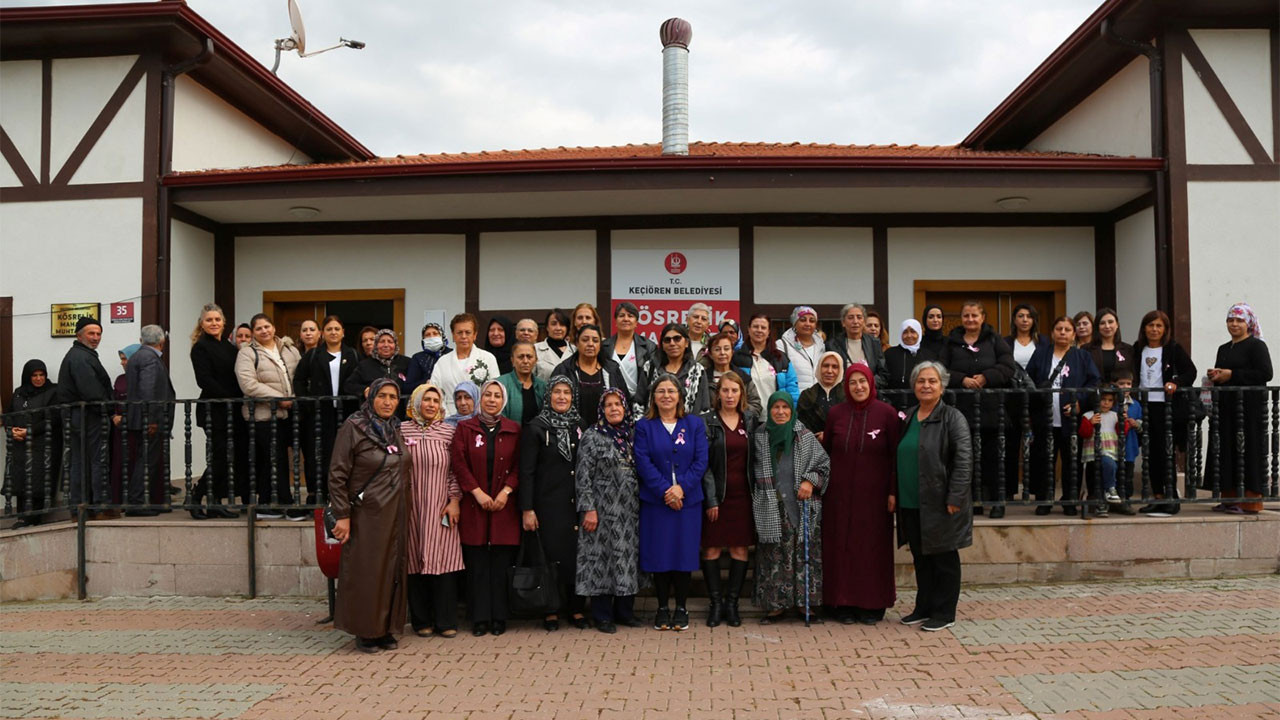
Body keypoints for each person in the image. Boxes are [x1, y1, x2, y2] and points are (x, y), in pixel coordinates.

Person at [327, 378, 409, 653]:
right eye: (382, 396)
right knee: (367, 571)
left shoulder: (395, 428)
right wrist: (342, 514)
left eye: (393, 397)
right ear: (371, 397)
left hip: (396, 512)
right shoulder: (354, 427)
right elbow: (337, 473)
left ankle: (385, 628)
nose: (388, 402)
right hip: (366, 514)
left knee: (391, 570)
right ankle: (365, 631)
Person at [895, 361, 972, 632]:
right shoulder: (908, 416)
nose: (926, 386)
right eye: (921, 381)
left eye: (932, 381)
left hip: (940, 502)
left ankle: (944, 611)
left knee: (944, 559)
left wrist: (955, 497)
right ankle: (924, 607)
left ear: (942, 386)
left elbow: (963, 460)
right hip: (910, 500)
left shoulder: (953, 417)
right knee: (921, 557)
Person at [823, 363, 901, 625]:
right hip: (839, 497)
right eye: (853, 382)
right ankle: (841, 603)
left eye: (862, 381)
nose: (858, 387)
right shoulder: (835, 413)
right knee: (840, 548)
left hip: (875, 498)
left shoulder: (887, 414)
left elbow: (895, 457)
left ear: (871, 383)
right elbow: (826, 453)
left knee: (872, 550)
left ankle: (872, 604)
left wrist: (893, 492)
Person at [634, 375, 708, 631]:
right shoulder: (644, 426)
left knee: (683, 555)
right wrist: (665, 491)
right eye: (661, 391)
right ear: (653, 397)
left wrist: (681, 488)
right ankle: (663, 607)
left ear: (680, 396)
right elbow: (642, 461)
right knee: (660, 554)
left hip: (688, 502)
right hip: (657, 502)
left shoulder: (694, 424)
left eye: (671, 391)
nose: (666, 396)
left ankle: (682, 608)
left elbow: (701, 460)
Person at [752, 390, 829, 624]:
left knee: (804, 556)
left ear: (792, 410)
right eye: (776, 407)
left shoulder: (804, 435)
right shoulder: (760, 436)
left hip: (801, 505)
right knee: (774, 556)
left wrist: (809, 481)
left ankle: (806, 605)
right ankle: (776, 607)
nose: (781, 412)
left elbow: (824, 465)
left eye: (785, 407)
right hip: (771, 505)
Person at [451, 380, 521, 636]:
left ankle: (499, 617)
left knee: (501, 564)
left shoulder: (514, 429)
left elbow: (519, 465)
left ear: (504, 401)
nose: (492, 400)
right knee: (477, 564)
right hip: (474, 504)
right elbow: (459, 463)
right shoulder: (465, 428)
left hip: (504, 505)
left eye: (497, 396)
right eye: (488, 395)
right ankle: (479, 618)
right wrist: (477, 492)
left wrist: (506, 491)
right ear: (480, 399)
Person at [519, 376, 587, 630]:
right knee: (551, 556)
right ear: (548, 396)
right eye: (557, 392)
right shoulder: (536, 427)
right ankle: (551, 610)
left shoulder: (580, 425)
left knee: (575, 556)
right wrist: (527, 508)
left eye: (566, 393)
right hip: (548, 504)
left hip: (575, 503)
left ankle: (577, 608)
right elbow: (527, 472)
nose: (561, 397)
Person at [938, 300, 1016, 518]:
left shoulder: (995, 340)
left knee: (994, 458)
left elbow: (1008, 367)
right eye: (966, 315)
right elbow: (940, 370)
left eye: (974, 315)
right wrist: (961, 379)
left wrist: (986, 377)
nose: (970, 319)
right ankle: (974, 500)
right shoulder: (952, 342)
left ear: (983, 318)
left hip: (991, 410)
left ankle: (997, 501)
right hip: (961, 410)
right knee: (965, 457)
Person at [575, 388, 643, 633]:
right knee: (601, 560)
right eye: (609, 405)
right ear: (601, 410)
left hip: (630, 511)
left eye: (618, 404)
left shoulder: (634, 434)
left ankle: (625, 612)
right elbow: (583, 475)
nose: (614, 409)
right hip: (602, 511)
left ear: (625, 408)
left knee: (627, 560)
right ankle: (602, 615)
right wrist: (588, 508)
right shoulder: (593, 436)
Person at [402, 383, 463, 638]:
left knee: (444, 561)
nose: (430, 405)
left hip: (440, 507)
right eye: (426, 400)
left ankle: (446, 621)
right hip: (412, 507)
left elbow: (455, 470)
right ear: (417, 403)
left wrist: (454, 500)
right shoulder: (402, 430)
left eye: (435, 401)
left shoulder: (448, 432)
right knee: (414, 561)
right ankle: (421, 621)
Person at [699, 370, 757, 628]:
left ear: (741, 393)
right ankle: (715, 604)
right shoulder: (707, 422)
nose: (730, 395)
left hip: (743, 496)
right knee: (711, 548)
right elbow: (704, 464)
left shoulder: (750, 420)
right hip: (717, 496)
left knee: (739, 549)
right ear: (718, 394)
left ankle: (731, 605)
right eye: (725, 390)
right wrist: (711, 499)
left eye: (735, 390)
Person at [1027, 315, 1101, 516]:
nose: (1063, 332)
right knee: (1045, 460)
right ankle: (1045, 500)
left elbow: (1094, 382)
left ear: (1074, 334)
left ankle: (1070, 500)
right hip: (1045, 418)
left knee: (1071, 461)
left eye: (1067, 329)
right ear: (1052, 333)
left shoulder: (1082, 357)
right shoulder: (1041, 354)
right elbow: (1028, 380)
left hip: (1071, 420)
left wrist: (1079, 402)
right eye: (1059, 329)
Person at [234, 313, 302, 518]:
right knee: (276, 458)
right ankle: (287, 503)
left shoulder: (289, 349)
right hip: (262, 415)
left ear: (273, 328)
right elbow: (248, 384)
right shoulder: (247, 353)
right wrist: (278, 398)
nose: (264, 331)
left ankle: (265, 504)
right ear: (253, 332)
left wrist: (294, 398)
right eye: (259, 328)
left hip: (288, 414)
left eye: (267, 326)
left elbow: (300, 376)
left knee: (274, 460)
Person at [1207, 303, 1272, 514]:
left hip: (1249, 409)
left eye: (1239, 320)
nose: (1234, 324)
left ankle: (1249, 502)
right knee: (1227, 450)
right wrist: (1216, 375)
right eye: (1230, 320)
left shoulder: (1256, 346)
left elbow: (1265, 373)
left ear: (1248, 323)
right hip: (1227, 408)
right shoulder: (1224, 348)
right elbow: (1224, 375)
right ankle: (1229, 498)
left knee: (1247, 450)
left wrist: (1232, 374)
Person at [291, 315, 358, 506]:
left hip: (346, 414)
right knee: (318, 454)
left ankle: (344, 495)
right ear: (323, 333)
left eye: (337, 329)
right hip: (320, 415)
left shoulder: (353, 355)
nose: (333, 332)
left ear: (343, 332)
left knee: (345, 454)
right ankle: (317, 493)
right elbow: (299, 380)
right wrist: (308, 403)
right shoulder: (313, 355)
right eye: (329, 329)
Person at [1134, 310, 1196, 515]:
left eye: (1159, 326)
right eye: (1150, 325)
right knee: (1150, 453)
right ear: (1144, 328)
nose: (1154, 329)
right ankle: (1158, 496)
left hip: (1166, 407)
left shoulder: (1173, 349)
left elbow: (1190, 371)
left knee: (1165, 452)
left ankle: (1171, 497)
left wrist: (1175, 382)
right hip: (1144, 406)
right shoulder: (1138, 349)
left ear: (1165, 329)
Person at [55, 316, 114, 515]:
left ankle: (80, 508)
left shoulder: (79, 355)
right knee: (97, 460)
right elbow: (92, 392)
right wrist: (109, 409)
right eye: (91, 333)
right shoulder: (81, 357)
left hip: (79, 416)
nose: (96, 337)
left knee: (80, 461)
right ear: (79, 336)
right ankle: (99, 506)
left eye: (98, 333)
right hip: (89, 416)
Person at [189, 303, 243, 519]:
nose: (214, 323)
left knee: (229, 458)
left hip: (233, 409)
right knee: (219, 456)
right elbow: (204, 380)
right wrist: (229, 398)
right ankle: (196, 496)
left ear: (223, 322)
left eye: (217, 319)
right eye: (209, 320)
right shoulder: (200, 347)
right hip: (215, 410)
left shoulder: (229, 347)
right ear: (202, 323)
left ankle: (215, 502)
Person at [125, 324, 175, 515]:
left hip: (139, 417)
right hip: (149, 419)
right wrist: (151, 419)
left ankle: (143, 500)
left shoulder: (137, 356)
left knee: (144, 459)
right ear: (162, 341)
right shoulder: (150, 358)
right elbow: (148, 390)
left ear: (141, 340)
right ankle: (137, 502)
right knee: (147, 461)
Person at [4, 360, 61, 527]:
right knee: (20, 479)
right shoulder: (19, 393)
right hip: (20, 444)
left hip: (42, 444)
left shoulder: (52, 392)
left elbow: (53, 418)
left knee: (38, 481)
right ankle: (22, 516)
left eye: (41, 375)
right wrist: (11, 430)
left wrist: (30, 431)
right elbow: (9, 414)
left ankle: (34, 517)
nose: (38, 378)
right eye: (34, 375)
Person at [554, 324, 628, 429]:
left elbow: (625, 401)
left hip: (607, 431)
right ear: (577, 343)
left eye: (595, 340)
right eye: (585, 340)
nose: (590, 344)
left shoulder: (612, 369)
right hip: (571, 431)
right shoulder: (564, 370)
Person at [636, 323, 710, 420]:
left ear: (686, 343)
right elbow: (638, 403)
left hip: (688, 428)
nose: (672, 343)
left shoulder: (698, 370)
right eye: (667, 340)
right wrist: (642, 426)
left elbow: (704, 408)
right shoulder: (650, 367)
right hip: (654, 427)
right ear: (662, 345)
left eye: (677, 339)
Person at [431, 313, 500, 416]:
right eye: (459, 332)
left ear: (475, 335)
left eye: (468, 332)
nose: (463, 336)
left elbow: (495, 390)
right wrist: (447, 416)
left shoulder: (488, 358)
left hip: (481, 415)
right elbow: (435, 391)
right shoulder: (442, 362)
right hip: (449, 415)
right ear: (453, 335)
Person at [1078, 387, 1131, 518]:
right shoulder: (1088, 415)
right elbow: (1084, 433)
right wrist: (1090, 423)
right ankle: (1102, 501)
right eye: (1103, 399)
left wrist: (1123, 421)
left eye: (1110, 400)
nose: (1106, 403)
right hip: (1093, 453)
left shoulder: (1114, 415)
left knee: (1109, 467)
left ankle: (1109, 491)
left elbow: (1122, 431)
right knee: (1095, 481)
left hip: (1110, 451)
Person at [733, 313, 799, 406]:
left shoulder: (781, 359)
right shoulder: (737, 358)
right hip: (747, 413)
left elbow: (792, 389)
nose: (759, 330)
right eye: (755, 326)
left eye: (763, 327)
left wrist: (791, 410)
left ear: (768, 332)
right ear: (749, 329)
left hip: (776, 413)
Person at [346, 330, 411, 414]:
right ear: (376, 345)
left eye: (390, 342)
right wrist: (365, 390)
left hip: (402, 414)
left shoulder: (407, 363)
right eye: (382, 341)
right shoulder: (365, 365)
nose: (386, 345)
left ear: (395, 345)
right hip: (373, 414)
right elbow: (349, 385)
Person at [600, 302, 656, 396]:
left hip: (639, 401)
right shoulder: (604, 346)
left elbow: (652, 377)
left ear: (636, 322)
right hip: (612, 400)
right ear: (615, 321)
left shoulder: (648, 346)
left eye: (630, 316)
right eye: (621, 316)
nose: (626, 319)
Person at [702, 332, 762, 414]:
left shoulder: (743, 377)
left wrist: (736, 411)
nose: (722, 353)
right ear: (710, 354)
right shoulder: (703, 378)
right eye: (717, 349)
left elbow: (755, 405)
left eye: (726, 349)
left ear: (732, 352)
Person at [109, 344, 139, 506]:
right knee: (119, 463)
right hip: (119, 430)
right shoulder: (120, 379)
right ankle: (118, 500)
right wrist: (114, 416)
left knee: (135, 463)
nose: (122, 362)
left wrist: (126, 417)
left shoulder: (142, 378)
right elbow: (114, 400)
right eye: (121, 359)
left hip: (135, 428)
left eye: (125, 359)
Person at [796, 351, 845, 442]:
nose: (829, 371)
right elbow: (800, 428)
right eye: (825, 366)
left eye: (835, 367)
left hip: (841, 446)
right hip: (813, 446)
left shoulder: (847, 396)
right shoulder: (807, 395)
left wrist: (829, 435)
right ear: (819, 368)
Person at [497, 341, 546, 424]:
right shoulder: (501, 384)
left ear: (536, 360)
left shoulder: (543, 386)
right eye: (520, 357)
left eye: (529, 357)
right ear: (512, 360)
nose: (525, 361)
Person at [778, 306, 825, 393]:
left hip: (817, 398)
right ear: (795, 323)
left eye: (812, 321)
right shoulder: (782, 345)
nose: (807, 324)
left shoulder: (822, 347)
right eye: (803, 320)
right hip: (794, 398)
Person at [1083, 308, 1134, 384]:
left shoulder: (1128, 349)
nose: (1107, 326)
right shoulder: (1086, 349)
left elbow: (1134, 377)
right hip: (1095, 391)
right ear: (1097, 327)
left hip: (1121, 391)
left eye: (1110, 322)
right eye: (1102, 323)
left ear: (1117, 325)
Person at [884, 319, 925, 411]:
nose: (909, 335)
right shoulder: (890, 354)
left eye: (913, 331)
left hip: (922, 405)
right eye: (905, 332)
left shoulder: (927, 355)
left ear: (919, 333)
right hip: (896, 405)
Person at [405, 323, 450, 392]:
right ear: (423, 340)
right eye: (427, 335)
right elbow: (407, 387)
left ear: (442, 336)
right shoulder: (418, 358)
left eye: (435, 334)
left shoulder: (451, 354)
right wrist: (425, 383)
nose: (431, 337)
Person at [535, 309, 574, 381]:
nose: (558, 328)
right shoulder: (535, 349)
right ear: (547, 327)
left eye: (562, 324)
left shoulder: (575, 351)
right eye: (553, 324)